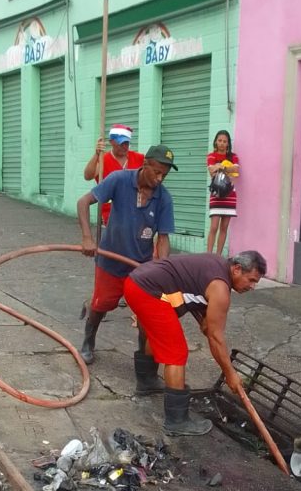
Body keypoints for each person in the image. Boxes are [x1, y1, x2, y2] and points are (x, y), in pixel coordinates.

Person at [123, 250, 267, 436]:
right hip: (148, 291)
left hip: (137, 283)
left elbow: (196, 294)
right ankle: (176, 421)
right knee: (176, 352)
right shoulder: (220, 288)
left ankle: (147, 381)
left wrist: (206, 321)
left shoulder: (217, 264)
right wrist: (230, 373)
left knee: (155, 332)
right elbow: (216, 337)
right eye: (252, 280)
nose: (253, 287)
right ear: (237, 269)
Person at [77, 146, 177, 368]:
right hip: (110, 261)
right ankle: (88, 341)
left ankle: (144, 364)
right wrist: (87, 238)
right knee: (101, 305)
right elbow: (83, 203)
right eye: (157, 172)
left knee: (146, 317)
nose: (161, 179)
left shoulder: (164, 198)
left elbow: (162, 239)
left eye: (165, 175)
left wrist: (161, 269)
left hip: (141, 268)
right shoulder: (119, 180)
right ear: (146, 165)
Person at [83, 125, 144, 226]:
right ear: (111, 142)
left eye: (127, 143)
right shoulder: (103, 160)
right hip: (112, 217)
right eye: (121, 143)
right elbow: (87, 176)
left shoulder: (138, 158)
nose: (125, 147)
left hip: (136, 213)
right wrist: (96, 155)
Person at [207, 130, 239, 255]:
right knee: (214, 227)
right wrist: (226, 168)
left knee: (224, 228)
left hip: (230, 196)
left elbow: (236, 170)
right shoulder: (211, 156)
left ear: (228, 144)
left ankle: (218, 256)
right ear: (215, 141)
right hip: (216, 194)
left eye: (224, 141)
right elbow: (212, 172)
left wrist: (221, 166)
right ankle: (208, 255)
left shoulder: (233, 156)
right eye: (219, 140)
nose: (221, 143)